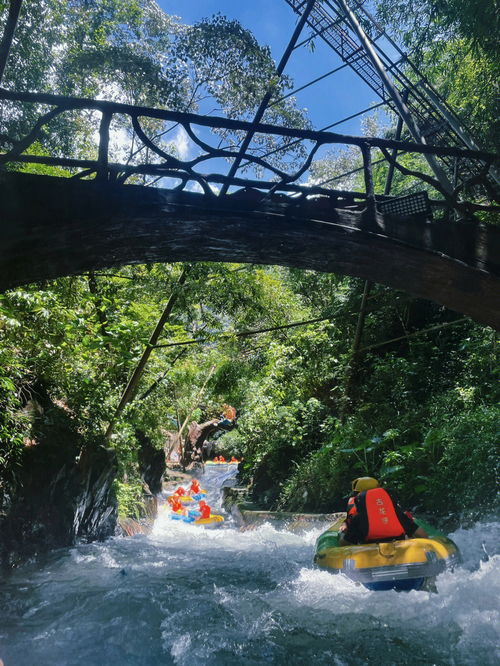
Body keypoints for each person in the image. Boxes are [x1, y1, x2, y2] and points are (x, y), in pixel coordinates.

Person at [339, 477, 428, 546]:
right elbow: (421, 534)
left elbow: (344, 543)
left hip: (369, 555)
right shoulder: (396, 514)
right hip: (400, 550)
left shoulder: (358, 518)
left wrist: (342, 533)